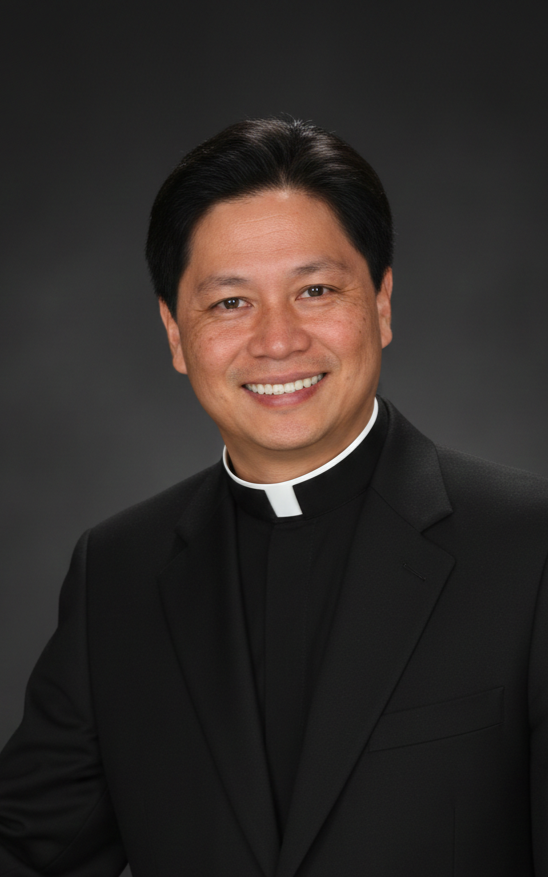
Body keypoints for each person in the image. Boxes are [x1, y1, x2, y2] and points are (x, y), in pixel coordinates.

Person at [0, 118, 547, 877]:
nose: (277, 340)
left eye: (316, 289)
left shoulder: (529, 549)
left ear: (382, 304)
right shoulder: (116, 574)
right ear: (174, 334)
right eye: (230, 303)